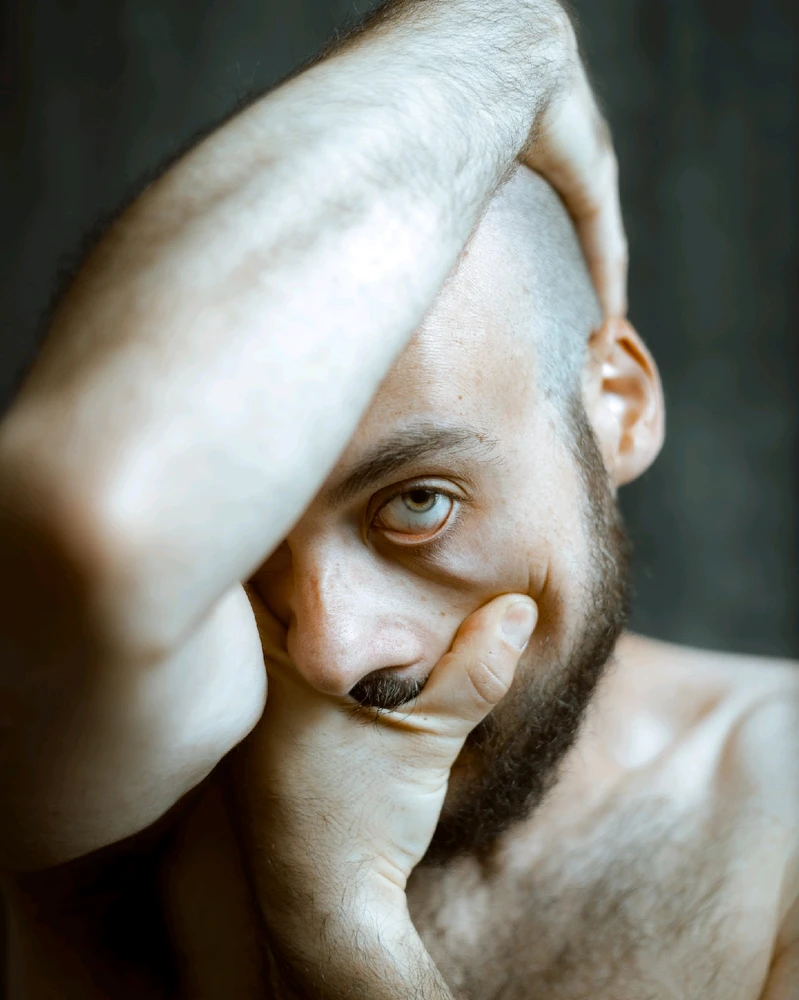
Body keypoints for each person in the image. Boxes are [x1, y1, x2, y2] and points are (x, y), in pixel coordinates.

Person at [0, 0, 795, 998]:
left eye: (418, 502)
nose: (334, 651)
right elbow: (93, 521)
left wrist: (341, 925)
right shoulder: (121, 770)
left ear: (618, 410)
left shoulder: (780, 814)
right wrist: (500, 40)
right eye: (248, 534)